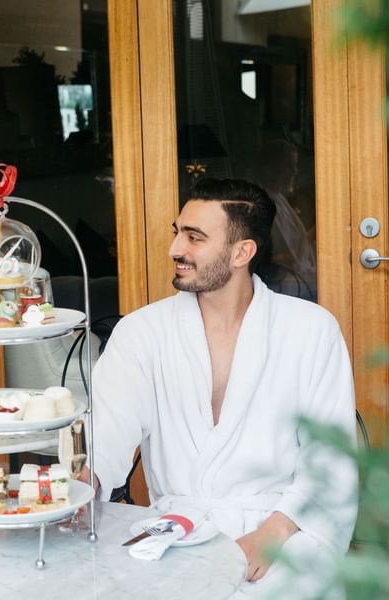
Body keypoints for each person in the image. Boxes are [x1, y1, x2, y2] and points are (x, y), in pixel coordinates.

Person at [88, 178, 357, 597]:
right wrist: (79, 492)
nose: (175, 249)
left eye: (194, 237)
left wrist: (269, 535)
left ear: (242, 252)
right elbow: (106, 441)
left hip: (286, 530)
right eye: (177, 232)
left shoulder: (310, 331)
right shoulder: (141, 332)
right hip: (178, 530)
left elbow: (330, 464)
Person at [252, 138, 317, 300]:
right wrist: (316, 233)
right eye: (289, 166)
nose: (294, 172)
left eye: (295, 166)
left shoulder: (280, 199)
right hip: (284, 287)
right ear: (270, 168)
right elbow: (276, 259)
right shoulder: (263, 206)